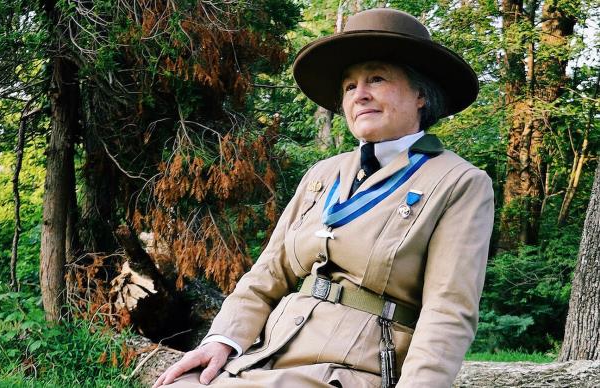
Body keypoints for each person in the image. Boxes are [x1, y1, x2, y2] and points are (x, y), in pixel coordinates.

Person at [153, 7, 494, 388]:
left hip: (354, 370)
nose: (359, 95)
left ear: (420, 95)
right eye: (349, 87)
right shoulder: (324, 173)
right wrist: (222, 340)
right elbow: (270, 271)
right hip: (271, 354)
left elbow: (448, 310)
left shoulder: (458, 181)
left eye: (376, 79)